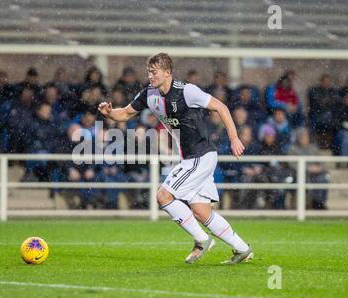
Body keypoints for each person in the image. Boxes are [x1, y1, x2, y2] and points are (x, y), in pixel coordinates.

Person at [98, 53, 252, 264]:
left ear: (167, 72)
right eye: (148, 71)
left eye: (154, 71)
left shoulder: (187, 91)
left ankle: (201, 240)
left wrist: (234, 138)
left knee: (163, 196)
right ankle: (242, 249)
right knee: (201, 211)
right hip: (191, 157)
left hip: (200, 155)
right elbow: (124, 114)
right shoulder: (149, 94)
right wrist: (109, 113)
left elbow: (221, 107)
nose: (150, 75)